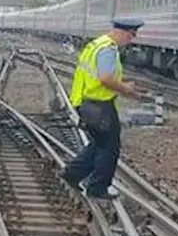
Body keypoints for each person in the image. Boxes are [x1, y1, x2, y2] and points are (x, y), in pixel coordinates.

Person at [61, 19, 145, 201]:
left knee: (99, 143)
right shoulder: (108, 49)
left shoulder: (97, 44)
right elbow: (105, 78)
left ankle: (72, 174)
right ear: (123, 32)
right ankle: (98, 188)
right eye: (132, 35)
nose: (132, 39)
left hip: (87, 102)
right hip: (99, 105)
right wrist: (125, 89)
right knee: (109, 147)